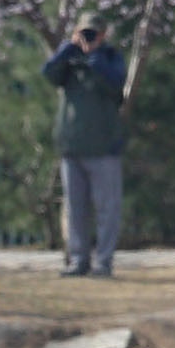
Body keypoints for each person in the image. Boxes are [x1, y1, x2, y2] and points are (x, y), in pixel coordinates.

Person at [42, 14, 127, 276]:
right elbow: (48, 74)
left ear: (103, 35)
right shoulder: (69, 62)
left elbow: (117, 85)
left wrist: (95, 57)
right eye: (84, 33)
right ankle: (78, 260)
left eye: (94, 33)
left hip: (103, 149)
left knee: (106, 209)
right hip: (73, 146)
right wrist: (65, 51)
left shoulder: (111, 59)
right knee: (75, 209)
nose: (89, 38)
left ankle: (103, 262)